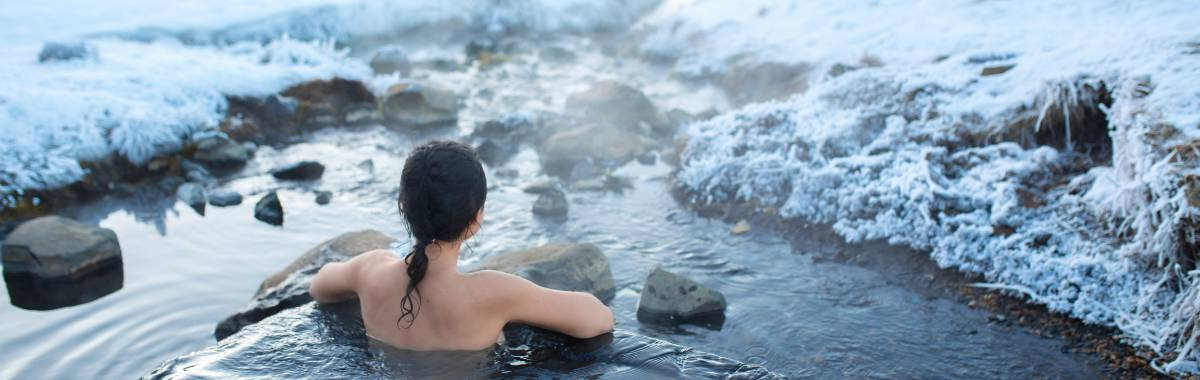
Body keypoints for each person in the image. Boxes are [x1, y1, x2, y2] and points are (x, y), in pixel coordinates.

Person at [309, 140, 613, 351]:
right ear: (476, 218)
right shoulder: (493, 292)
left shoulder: (370, 270)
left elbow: (319, 287)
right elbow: (598, 320)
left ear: (404, 207)